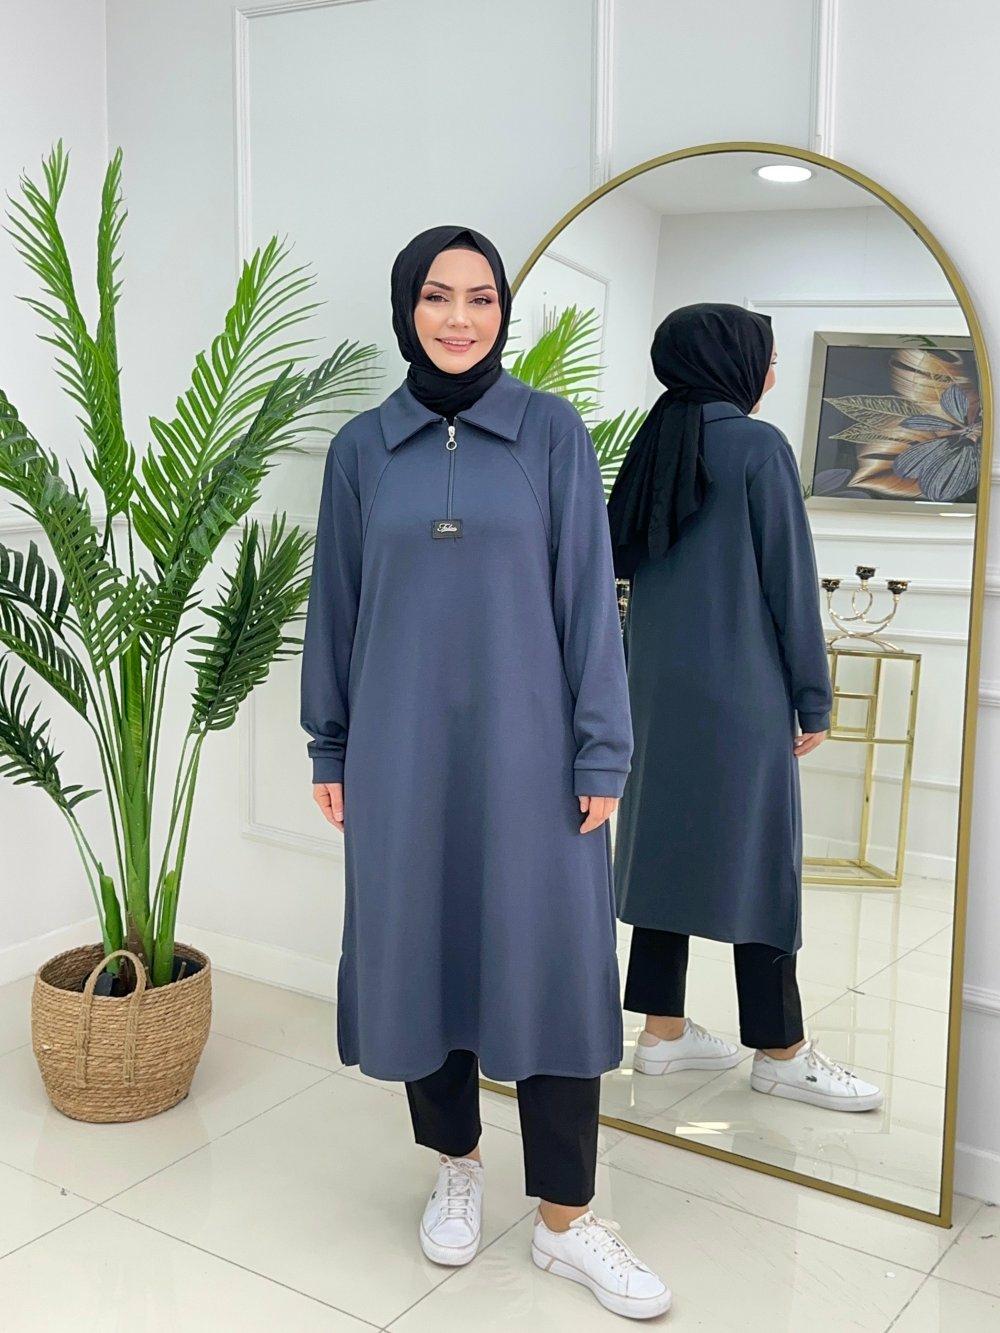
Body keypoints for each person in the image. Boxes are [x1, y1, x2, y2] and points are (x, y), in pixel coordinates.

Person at [300, 226, 671, 1319]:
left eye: (480, 298)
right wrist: (330, 742)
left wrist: (601, 746)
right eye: (436, 296)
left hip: (536, 754)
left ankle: (566, 1218)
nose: (458, 318)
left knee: (553, 967)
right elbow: (336, 607)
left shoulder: (550, 434)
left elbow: (590, 602)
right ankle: (454, 1163)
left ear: (503, 311)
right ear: (405, 308)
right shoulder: (363, 450)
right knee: (421, 951)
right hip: (399, 752)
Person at [607, 303, 883, 1113]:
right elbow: (788, 582)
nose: (771, 374)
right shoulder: (758, 447)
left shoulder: (655, 443)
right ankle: (780, 1048)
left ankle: (661, 1032)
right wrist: (813, 696)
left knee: (663, 850)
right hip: (741, 696)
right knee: (763, 865)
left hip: (651, 692)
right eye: (766, 358)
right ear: (730, 364)